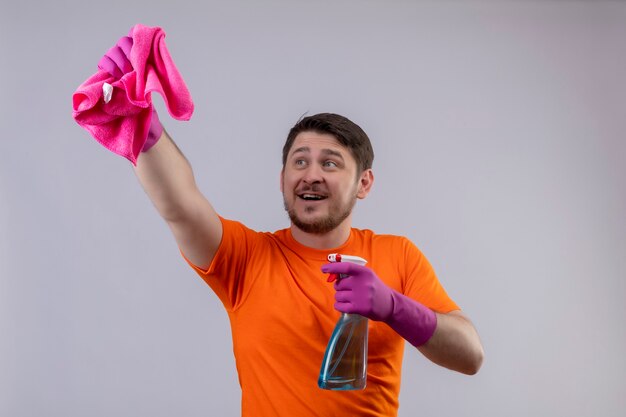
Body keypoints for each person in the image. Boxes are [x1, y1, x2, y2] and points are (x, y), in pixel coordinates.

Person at [95, 34, 484, 417]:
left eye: (330, 163)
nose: (311, 175)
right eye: (300, 161)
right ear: (282, 178)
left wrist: (395, 307)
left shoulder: (397, 255)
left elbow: (470, 355)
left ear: (363, 183)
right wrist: (145, 131)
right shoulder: (244, 258)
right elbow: (181, 205)